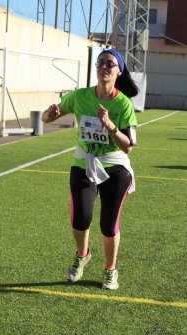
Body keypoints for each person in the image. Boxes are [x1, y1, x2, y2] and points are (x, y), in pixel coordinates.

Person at [41, 49, 138, 290]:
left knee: (108, 224)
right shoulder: (80, 96)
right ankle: (83, 253)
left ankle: (110, 269)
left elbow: (128, 147)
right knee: (80, 219)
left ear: (119, 71)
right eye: (101, 62)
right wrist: (48, 116)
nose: (104, 67)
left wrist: (110, 126)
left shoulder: (123, 104)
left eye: (110, 64)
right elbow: (48, 116)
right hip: (84, 162)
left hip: (115, 166)